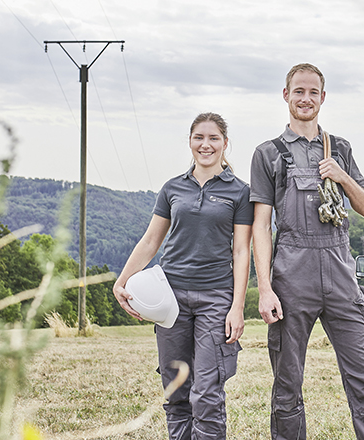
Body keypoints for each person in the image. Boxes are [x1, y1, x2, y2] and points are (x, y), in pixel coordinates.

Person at [249, 63, 364, 440]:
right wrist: (265, 288)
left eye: (313, 92)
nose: (305, 99)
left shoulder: (340, 148)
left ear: (323, 98)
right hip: (293, 275)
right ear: (286, 96)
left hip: (341, 273)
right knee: (288, 382)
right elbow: (261, 226)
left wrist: (341, 176)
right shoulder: (268, 154)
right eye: (299, 91)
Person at [113, 112, 253, 440]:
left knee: (207, 392)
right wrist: (121, 281)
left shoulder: (240, 192)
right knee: (176, 389)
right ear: (190, 142)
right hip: (169, 297)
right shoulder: (173, 188)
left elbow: (241, 252)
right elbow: (151, 241)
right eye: (199, 138)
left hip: (216, 297)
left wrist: (237, 307)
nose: (206, 144)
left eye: (213, 138)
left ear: (225, 143)